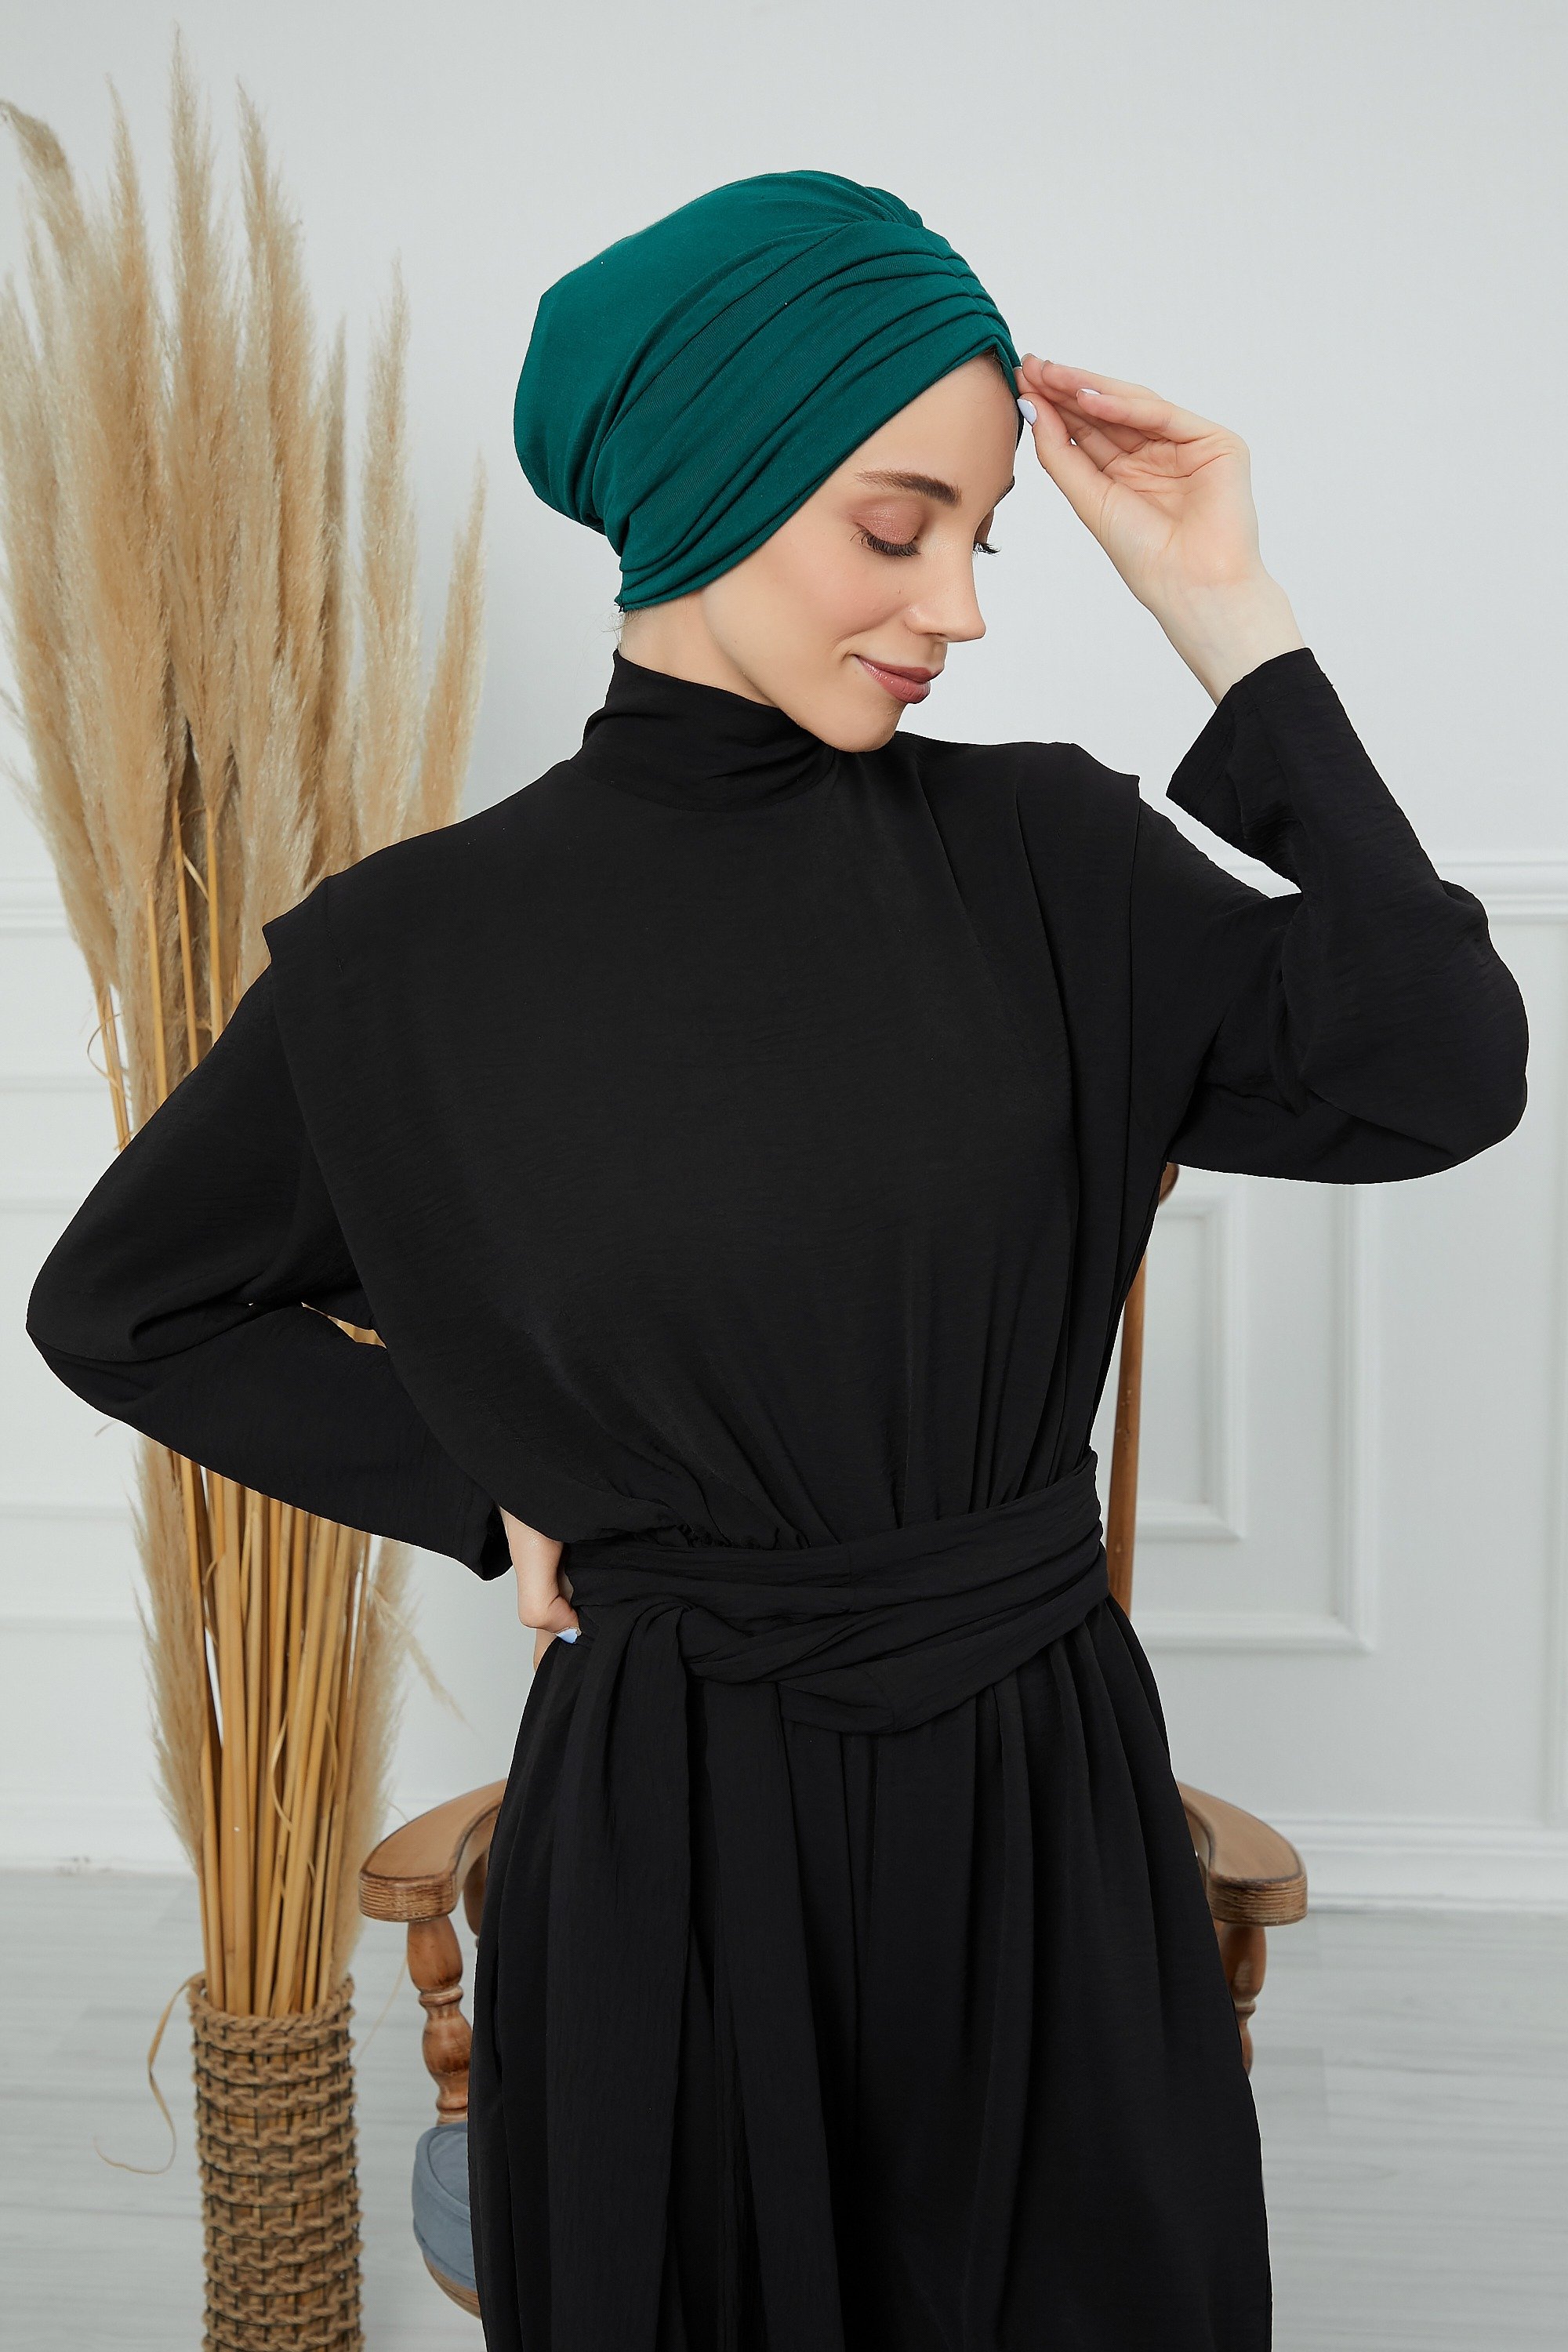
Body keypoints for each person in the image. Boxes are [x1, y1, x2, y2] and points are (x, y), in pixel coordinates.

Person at [27, 170, 1528, 2352]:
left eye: (982, 540)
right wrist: (483, 1487)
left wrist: (1229, 609)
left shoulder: (1049, 859)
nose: (959, 610)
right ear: (712, 484)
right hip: (672, 1839)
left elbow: (1439, 1070)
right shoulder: (408, 960)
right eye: (894, 528)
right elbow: (125, 1308)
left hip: (1039, 1806)